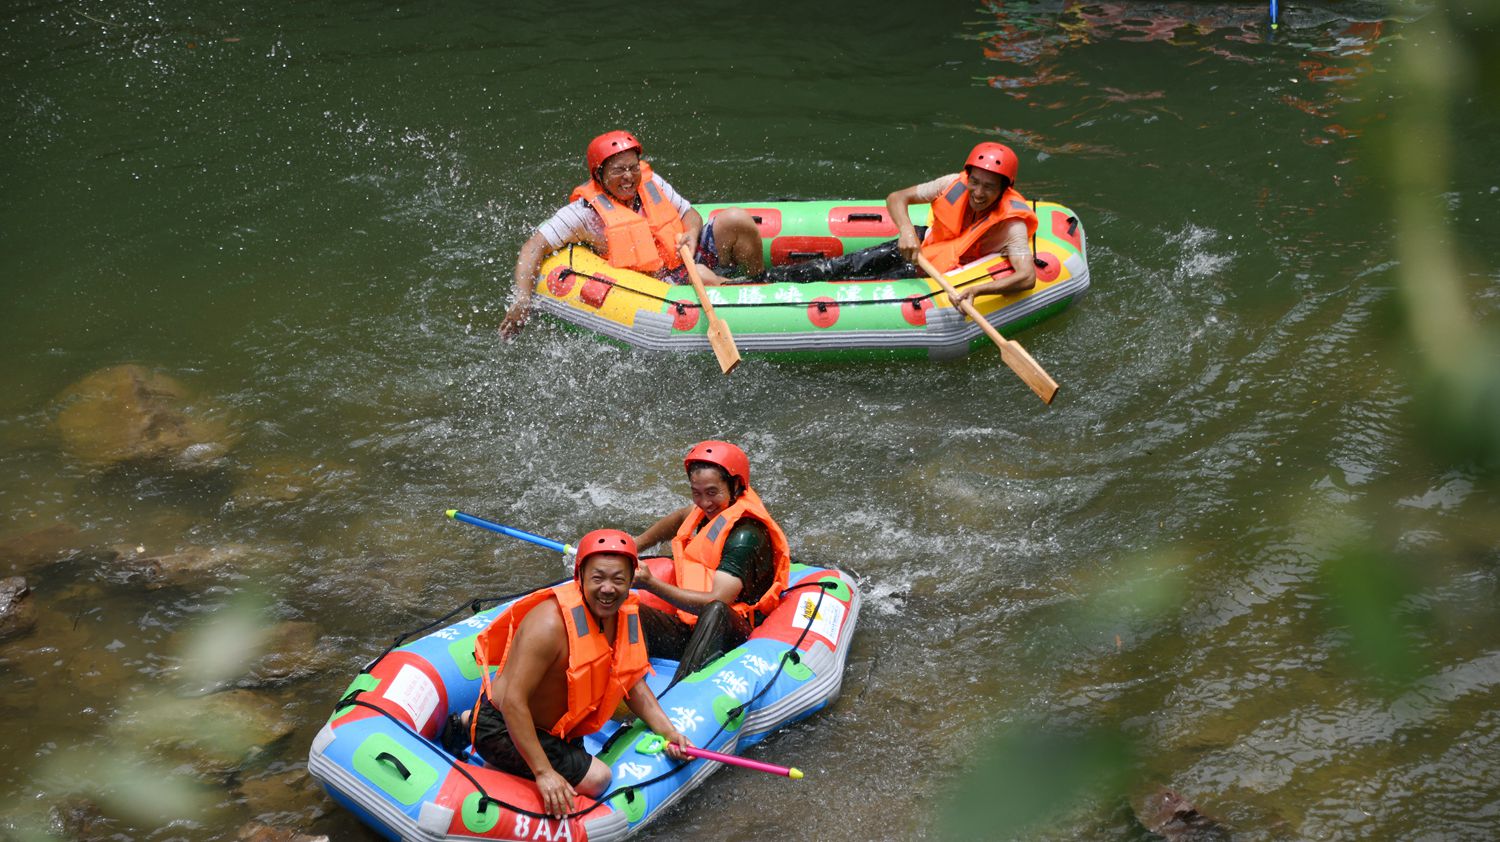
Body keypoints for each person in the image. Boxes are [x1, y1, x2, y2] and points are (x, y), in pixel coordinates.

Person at [459, 529, 690, 819]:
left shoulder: (624, 616)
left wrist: (669, 733)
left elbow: (631, 681)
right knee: (597, 778)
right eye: (598, 578)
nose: (608, 588)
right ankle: (483, 749)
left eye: (618, 579)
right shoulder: (549, 624)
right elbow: (513, 701)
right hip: (505, 725)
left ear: (632, 579)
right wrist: (543, 772)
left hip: (559, 733)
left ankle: (469, 725)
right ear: (579, 576)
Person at [500, 131, 765, 338]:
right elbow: (533, 247)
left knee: (736, 219)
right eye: (618, 170)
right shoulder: (582, 214)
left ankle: (759, 280)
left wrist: (693, 235)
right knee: (705, 276)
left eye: (633, 167)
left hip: (682, 254)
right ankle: (753, 301)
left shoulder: (651, 184)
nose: (629, 177)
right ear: (599, 174)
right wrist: (523, 298)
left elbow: (690, 215)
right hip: (653, 284)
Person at [755, 141, 1040, 307]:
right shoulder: (952, 183)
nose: (978, 193)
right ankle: (753, 283)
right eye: (974, 182)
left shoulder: (1011, 225)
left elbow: (1027, 277)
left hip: (934, 276)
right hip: (917, 245)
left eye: (988, 187)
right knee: (832, 268)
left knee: (850, 285)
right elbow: (897, 198)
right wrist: (906, 231)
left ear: (1004, 189)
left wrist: (977, 290)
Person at [630, 440, 791, 683]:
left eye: (712, 492)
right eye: (697, 493)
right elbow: (679, 518)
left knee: (715, 610)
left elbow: (716, 601)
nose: (704, 502)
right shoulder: (709, 509)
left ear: (735, 485)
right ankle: (626, 679)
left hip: (734, 632)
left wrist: (651, 584)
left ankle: (681, 691)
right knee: (630, 609)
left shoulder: (745, 536)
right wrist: (634, 545)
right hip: (691, 625)